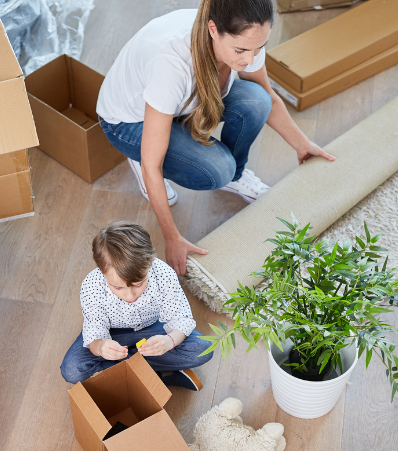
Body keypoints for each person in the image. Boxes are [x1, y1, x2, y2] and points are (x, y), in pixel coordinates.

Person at [95, 0, 336, 276]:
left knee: (256, 101)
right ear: (213, 30)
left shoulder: (246, 39)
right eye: (241, 50)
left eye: (259, 47)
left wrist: (304, 146)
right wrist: (172, 237)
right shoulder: (172, 63)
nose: (250, 59)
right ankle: (141, 150)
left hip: (174, 106)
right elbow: (154, 166)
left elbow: (267, 98)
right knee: (216, 171)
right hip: (128, 121)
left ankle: (234, 174)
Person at [60, 221, 213, 390]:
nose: (130, 295)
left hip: (155, 329)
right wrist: (102, 347)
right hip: (112, 334)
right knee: (72, 370)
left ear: (149, 263)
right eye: (117, 288)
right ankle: (159, 374)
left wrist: (169, 341)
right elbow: (95, 333)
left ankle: (128, 374)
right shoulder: (92, 285)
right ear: (102, 271)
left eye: (138, 284)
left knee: (203, 348)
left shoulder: (163, 274)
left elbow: (180, 319)